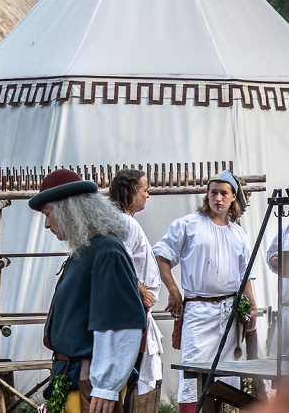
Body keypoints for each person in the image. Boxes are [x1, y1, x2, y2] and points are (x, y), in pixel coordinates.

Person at [29, 169, 147, 413]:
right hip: (76, 377)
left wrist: (106, 385)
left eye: (49, 214)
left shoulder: (107, 252)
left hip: (90, 385)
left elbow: (121, 323)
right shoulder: (87, 249)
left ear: (70, 211)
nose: (47, 224)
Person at [152, 169, 257, 413]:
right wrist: (173, 291)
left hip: (229, 313)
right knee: (193, 373)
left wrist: (252, 306)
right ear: (206, 196)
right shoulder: (188, 225)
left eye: (223, 193)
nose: (218, 198)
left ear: (233, 198)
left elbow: (245, 274)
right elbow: (161, 255)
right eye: (213, 193)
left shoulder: (238, 233)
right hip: (198, 312)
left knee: (224, 374)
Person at [109, 169, 163, 413]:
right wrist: (141, 290)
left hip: (135, 309)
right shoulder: (124, 222)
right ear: (130, 192)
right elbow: (118, 261)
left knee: (130, 378)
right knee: (127, 378)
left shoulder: (125, 220)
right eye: (144, 190)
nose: (148, 195)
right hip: (131, 311)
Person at [265, 224, 289, 356]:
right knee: (281, 368)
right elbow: (271, 253)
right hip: (286, 309)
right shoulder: (287, 229)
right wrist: (275, 260)